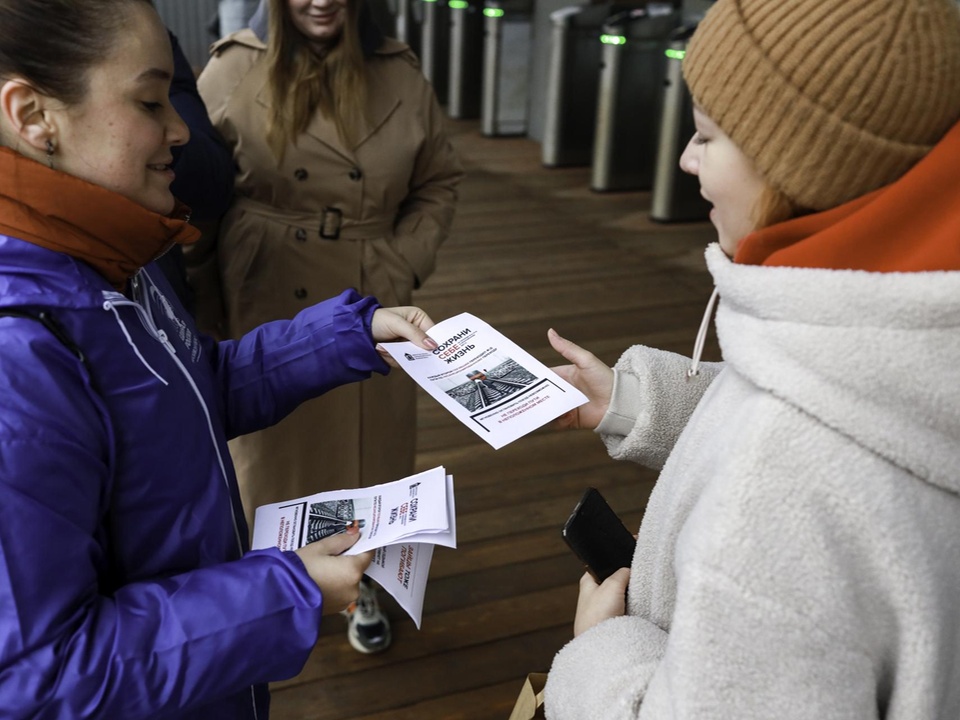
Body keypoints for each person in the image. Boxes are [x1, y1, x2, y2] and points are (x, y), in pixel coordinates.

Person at [0, 1, 439, 717]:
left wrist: (346, 335)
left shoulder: (107, 256)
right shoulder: (19, 350)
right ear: (34, 114)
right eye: (150, 100)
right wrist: (285, 590)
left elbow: (189, 386)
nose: (180, 128)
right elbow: (40, 676)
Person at [542, 0, 960, 717]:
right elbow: (854, 412)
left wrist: (601, 653)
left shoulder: (779, 493)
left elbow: (797, 453)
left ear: (806, 165)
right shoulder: (905, 332)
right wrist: (634, 406)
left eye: (707, 136)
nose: (685, 158)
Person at [192, 0, 463, 653]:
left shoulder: (399, 74)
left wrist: (401, 261)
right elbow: (194, 192)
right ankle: (270, 583)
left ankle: (364, 579)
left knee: (367, 450)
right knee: (272, 451)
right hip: (265, 289)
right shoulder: (233, 69)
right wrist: (202, 301)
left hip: (372, 294)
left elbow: (439, 182)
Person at [154, 30, 236, 316]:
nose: (178, 131)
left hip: (163, 300)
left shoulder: (151, 38)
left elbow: (212, 184)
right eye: (147, 103)